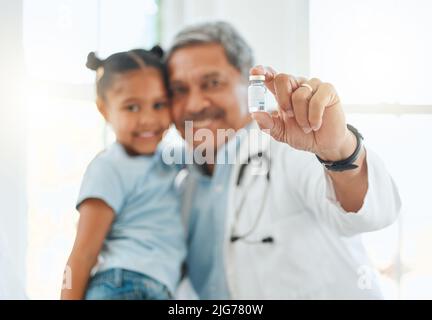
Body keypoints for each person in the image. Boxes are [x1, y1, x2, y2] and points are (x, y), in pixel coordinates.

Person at [166, 21, 401, 299]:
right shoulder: (182, 187)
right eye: (179, 90)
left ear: (247, 85)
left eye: (212, 83)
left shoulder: (290, 148)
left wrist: (338, 151)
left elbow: (369, 214)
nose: (194, 104)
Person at [61, 47, 186, 300]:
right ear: (104, 110)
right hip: (122, 286)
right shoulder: (109, 167)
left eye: (159, 104)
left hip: (153, 289)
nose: (148, 119)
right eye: (132, 107)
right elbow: (82, 254)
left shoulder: (170, 160)